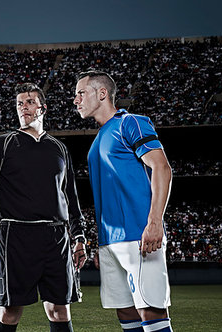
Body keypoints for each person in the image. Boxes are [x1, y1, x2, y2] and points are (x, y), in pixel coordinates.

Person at [0, 83, 87, 332]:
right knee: (9, 311)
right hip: (16, 235)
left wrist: (79, 236)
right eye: (19, 103)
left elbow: (71, 196)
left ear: (43, 108)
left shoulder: (59, 148)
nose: (23, 107)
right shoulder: (3, 144)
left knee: (60, 310)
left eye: (29, 102)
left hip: (56, 237)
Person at [74, 70, 174, 332]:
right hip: (111, 240)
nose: (76, 100)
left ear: (102, 93)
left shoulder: (131, 122)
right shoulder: (98, 139)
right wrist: (101, 243)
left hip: (139, 234)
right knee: (126, 311)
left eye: (81, 93)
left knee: (150, 309)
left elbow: (162, 168)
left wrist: (154, 222)